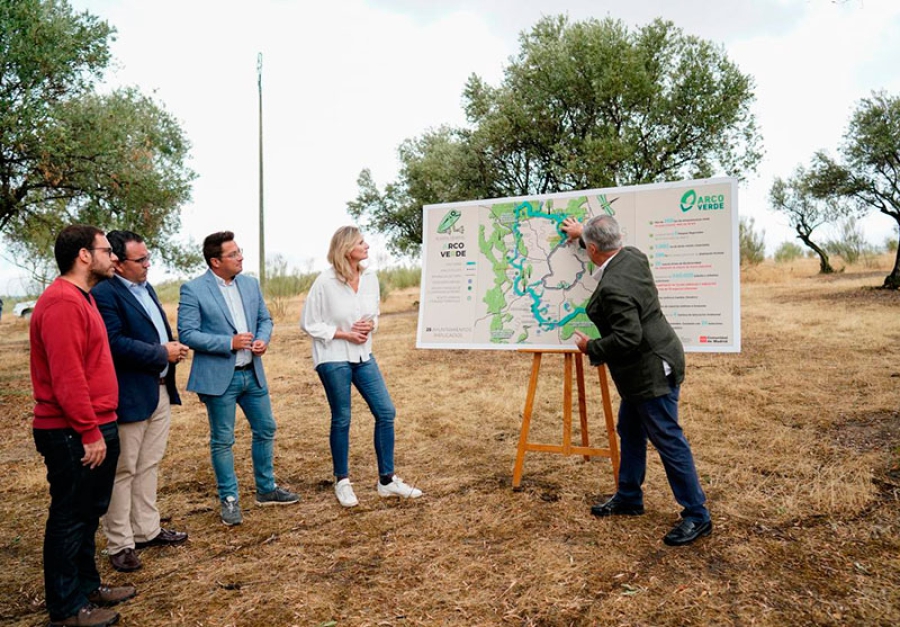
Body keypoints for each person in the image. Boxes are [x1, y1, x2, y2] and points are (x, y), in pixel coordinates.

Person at [561, 214, 712, 547]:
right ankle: (629, 496)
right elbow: (603, 247)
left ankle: (697, 515)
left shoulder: (614, 287)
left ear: (593, 248)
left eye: (588, 244)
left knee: (668, 438)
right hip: (652, 360)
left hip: (649, 370)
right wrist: (582, 234)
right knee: (629, 429)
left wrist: (592, 348)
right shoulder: (633, 255)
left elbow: (628, 338)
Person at [30, 225, 136, 627]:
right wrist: (89, 432)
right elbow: (67, 377)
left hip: (94, 424)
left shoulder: (83, 297)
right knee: (70, 516)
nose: (114, 257)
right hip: (71, 431)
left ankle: (87, 587)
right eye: (107, 250)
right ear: (84, 255)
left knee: (88, 513)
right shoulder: (62, 303)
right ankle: (67, 609)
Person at [177, 231, 298, 526]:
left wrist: (263, 339)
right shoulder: (193, 289)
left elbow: (264, 319)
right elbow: (188, 334)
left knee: (266, 428)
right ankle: (229, 499)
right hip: (220, 379)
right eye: (233, 254)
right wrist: (228, 343)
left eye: (239, 251)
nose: (241, 257)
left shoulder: (250, 284)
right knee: (223, 440)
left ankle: (266, 490)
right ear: (215, 261)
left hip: (252, 374)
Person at [301, 226, 422, 507]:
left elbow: (374, 315)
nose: (367, 246)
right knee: (342, 417)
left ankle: (387, 481)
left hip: (363, 354)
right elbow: (308, 323)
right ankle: (342, 482)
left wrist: (370, 325)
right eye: (361, 242)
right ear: (346, 249)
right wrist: (344, 334)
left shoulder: (370, 278)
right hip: (333, 355)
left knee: (386, 411)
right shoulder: (325, 282)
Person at [92, 230, 189, 573]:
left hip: (159, 389)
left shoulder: (146, 288)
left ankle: (146, 530)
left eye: (148, 257)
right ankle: (120, 543)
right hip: (129, 393)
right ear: (118, 263)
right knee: (123, 470)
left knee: (149, 464)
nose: (148, 264)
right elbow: (113, 343)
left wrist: (170, 351)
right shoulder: (105, 293)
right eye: (141, 259)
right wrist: (161, 352)